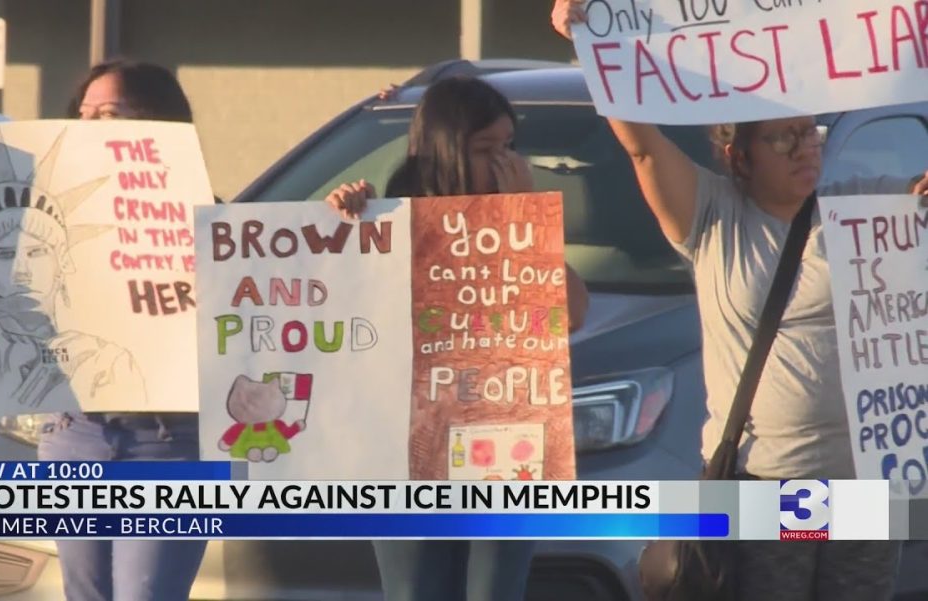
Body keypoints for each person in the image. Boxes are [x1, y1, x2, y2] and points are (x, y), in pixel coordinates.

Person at [552, 2, 928, 599]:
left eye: (811, 133)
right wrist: (593, 45)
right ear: (738, 155)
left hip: (862, 483)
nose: (806, 148)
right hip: (763, 483)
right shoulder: (713, 216)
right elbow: (644, 148)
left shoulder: (860, 208)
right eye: (784, 138)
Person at [0, 59, 206, 601]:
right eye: (84, 113)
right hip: (74, 435)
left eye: (108, 113)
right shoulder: (38, 213)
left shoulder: (200, 217)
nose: (89, 124)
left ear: (156, 122)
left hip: (168, 443)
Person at [324, 75, 589, 601]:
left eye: (509, 146)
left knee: (494, 590)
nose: (504, 162)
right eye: (486, 148)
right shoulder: (393, 218)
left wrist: (523, 218)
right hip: (405, 452)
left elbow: (573, 311)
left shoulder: (518, 225)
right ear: (444, 149)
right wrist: (342, 224)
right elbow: (337, 311)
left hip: (503, 443)